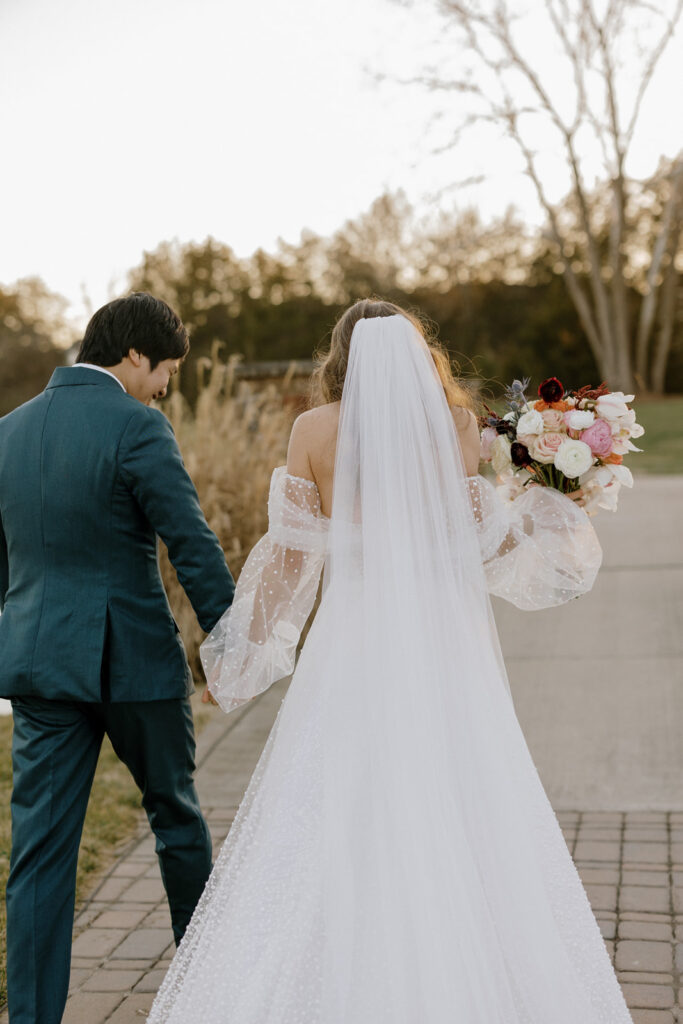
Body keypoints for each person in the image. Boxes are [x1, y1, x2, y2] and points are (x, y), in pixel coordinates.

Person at [148, 299, 632, 1023]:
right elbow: (481, 541)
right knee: (460, 793)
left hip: (355, 640)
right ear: (418, 354)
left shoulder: (313, 429)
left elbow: (288, 558)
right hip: (443, 640)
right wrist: (546, 509)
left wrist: (240, 651)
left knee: (340, 799)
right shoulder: (457, 425)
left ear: (338, 356)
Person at [0, 292, 235, 1024]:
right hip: (134, 665)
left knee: (38, 852)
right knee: (175, 819)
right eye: (166, 369)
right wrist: (229, 646)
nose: (167, 385)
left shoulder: (7, 432)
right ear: (134, 355)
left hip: (41, 667)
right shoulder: (138, 425)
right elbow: (190, 543)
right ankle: (205, 994)